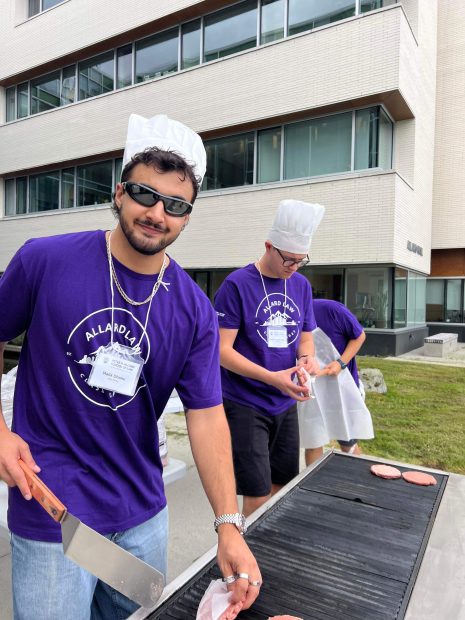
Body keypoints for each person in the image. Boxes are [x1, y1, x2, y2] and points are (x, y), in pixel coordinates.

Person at [0, 113, 260, 620]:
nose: (157, 213)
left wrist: (229, 523)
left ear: (188, 216)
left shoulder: (194, 310)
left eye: (176, 204)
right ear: (119, 192)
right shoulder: (45, 262)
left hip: (142, 519)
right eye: (145, 194)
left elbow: (206, 417)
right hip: (53, 512)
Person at [215, 200, 325, 517]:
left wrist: (307, 361)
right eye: (288, 260)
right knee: (257, 492)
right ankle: (251, 557)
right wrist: (272, 377)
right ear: (268, 246)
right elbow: (222, 351)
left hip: (284, 401)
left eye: (300, 261)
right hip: (246, 402)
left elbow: (305, 338)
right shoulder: (237, 284)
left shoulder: (301, 286)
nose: (293, 267)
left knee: (282, 485)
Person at [298, 298, 373, 466]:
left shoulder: (332, 309)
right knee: (313, 442)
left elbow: (359, 335)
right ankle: (313, 486)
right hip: (312, 390)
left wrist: (340, 363)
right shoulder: (291, 316)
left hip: (343, 388)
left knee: (348, 443)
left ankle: (357, 485)